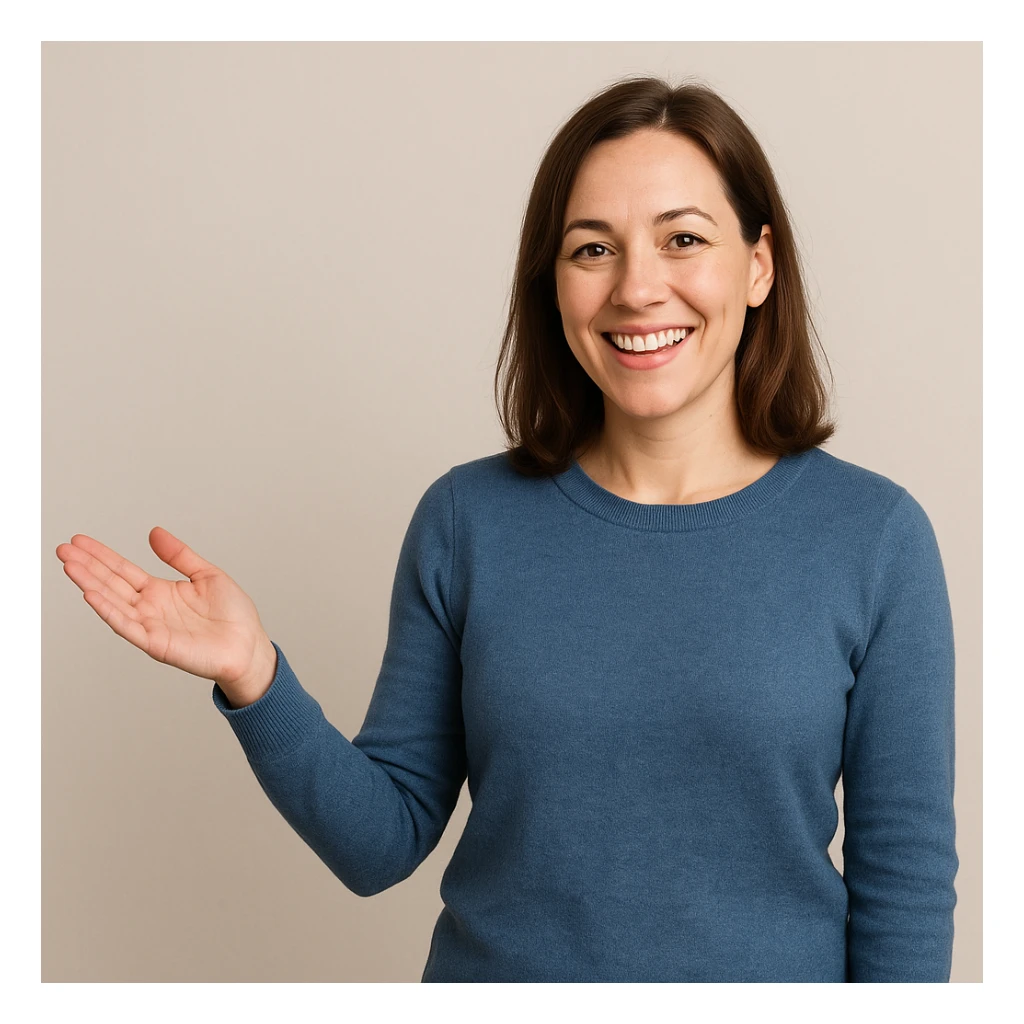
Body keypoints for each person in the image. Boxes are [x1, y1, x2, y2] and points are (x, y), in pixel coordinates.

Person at [55, 75, 958, 983]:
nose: (638, 287)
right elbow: (379, 845)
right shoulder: (468, 523)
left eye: (683, 239)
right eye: (593, 249)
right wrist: (256, 678)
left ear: (759, 264)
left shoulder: (874, 539)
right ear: (553, 283)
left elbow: (906, 884)